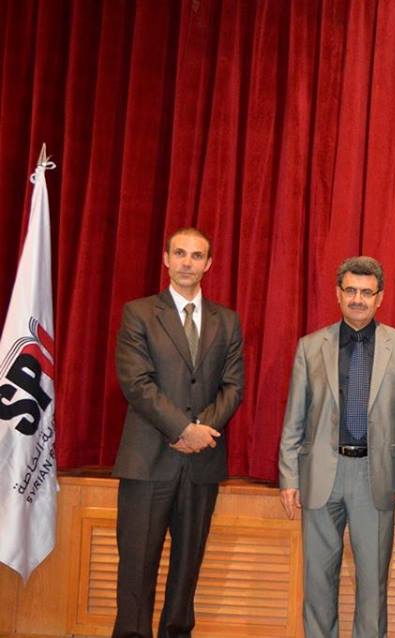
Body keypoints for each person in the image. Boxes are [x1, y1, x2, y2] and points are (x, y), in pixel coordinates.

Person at [277, 256, 395, 638]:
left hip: (376, 477)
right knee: (318, 582)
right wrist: (288, 476)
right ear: (338, 294)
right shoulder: (310, 347)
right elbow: (294, 418)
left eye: (366, 292)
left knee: (373, 584)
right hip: (321, 475)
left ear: (380, 298)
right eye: (351, 291)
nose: (358, 299)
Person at [113, 227, 245, 638]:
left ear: (209, 264)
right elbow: (136, 382)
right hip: (147, 460)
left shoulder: (227, 321)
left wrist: (202, 431)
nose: (188, 262)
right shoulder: (138, 313)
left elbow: (233, 386)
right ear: (166, 259)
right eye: (181, 253)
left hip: (201, 463)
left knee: (187, 566)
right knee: (137, 565)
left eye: (197, 255)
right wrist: (183, 429)